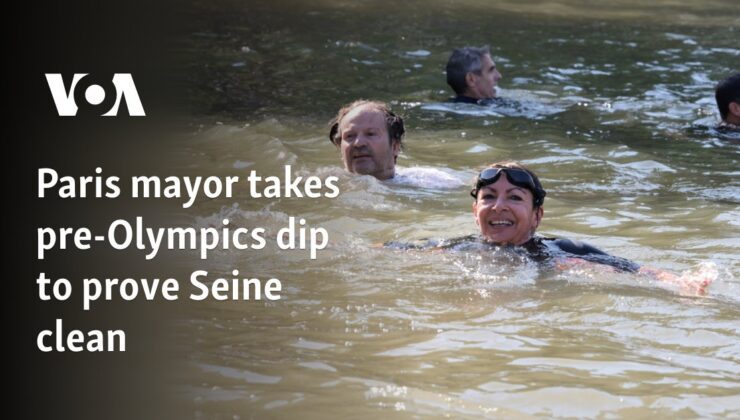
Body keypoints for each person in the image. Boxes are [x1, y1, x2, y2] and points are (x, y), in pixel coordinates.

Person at [389, 161, 713, 295]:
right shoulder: (457, 246)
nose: (499, 206)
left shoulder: (560, 251)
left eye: (514, 198)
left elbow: (633, 269)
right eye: (489, 197)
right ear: (476, 211)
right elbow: (395, 252)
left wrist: (682, 282)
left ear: (537, 216)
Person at [328, 100, 405, 180]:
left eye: (370, 134)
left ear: (395, 146)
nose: (358, 143)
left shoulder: (417, 183)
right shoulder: (325, 185)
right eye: (350, 136)